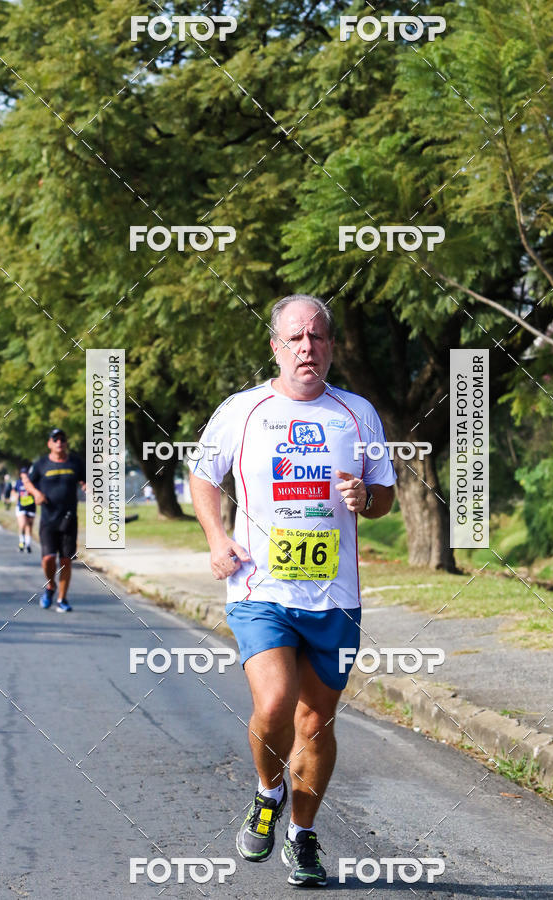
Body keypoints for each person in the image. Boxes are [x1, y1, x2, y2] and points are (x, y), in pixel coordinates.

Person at [189, 294, 396, 887]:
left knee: (316, 723)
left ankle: (303, 838)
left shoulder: (357, 413)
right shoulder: (243, 410)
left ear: (331, 346)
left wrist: (367, 500)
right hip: (260, 588)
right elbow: (205, 475)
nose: (307, 348)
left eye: (318, 338)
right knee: (276, 703)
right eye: (295, 339)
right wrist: (215, 536)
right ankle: (266, 791)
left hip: (335, 598)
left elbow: (384, 494)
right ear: (276, 346)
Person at [22, 428, 86, 612]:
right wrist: (36, 493)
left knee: (66, 560)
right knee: (48, 559)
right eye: (55, 439)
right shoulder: (41, 464)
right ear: (49, 443)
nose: (59, 442)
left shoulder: (76, 462)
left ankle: (62, 599)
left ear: (66, 443)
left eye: (62, 439)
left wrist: (87, 485)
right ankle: (50, 585)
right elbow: (27, 481)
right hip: (49, 520)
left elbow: (86, 479)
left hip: (69, 520)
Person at [11, 465, 36, 552]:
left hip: (31, 506)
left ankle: (28, 544)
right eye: (23, 473)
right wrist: (15, 495)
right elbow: (13, 490)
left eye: (26, 473)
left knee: (29, 526)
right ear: (21, 474)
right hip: (21, 506)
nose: (24, 474)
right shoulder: (18, 482)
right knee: (22, 525)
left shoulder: (32, 482)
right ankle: (22, 542)